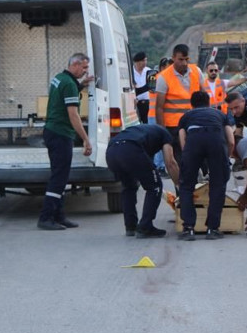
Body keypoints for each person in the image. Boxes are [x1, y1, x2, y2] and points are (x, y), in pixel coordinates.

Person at [38, 53, 93, 230]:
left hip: (52, 131)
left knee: (60, 176)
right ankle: (46, 217)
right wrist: (85, 139)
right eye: (84, 67)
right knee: (59, 177)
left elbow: (66, 92)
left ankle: (59, 216)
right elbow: (73, 115)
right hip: (61, 134)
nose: (85, 71)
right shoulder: (69, 84)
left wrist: (82, 85)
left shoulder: (60, 78)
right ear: (75, 64)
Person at [176, 91, 235, 241]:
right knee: (218, 185)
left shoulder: (186, 116)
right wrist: (226, 158)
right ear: (209, 103)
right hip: (216, 140)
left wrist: (188, 158)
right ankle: (212, 229)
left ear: (191, 104)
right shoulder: (220, 115)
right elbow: (231, 140)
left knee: (186, 186)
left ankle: (188, 229)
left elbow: (182, 140)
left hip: (193, 141)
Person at [105, 124, 180, 238]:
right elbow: (170, 163)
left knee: (128, 187)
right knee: (155, 186)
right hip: (130, 149)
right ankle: (145, 227)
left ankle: (130, 226)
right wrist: (179, 185)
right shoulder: (166, 135)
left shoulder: (146, 131)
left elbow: (146, 164)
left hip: (112, 152)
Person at [155, 44, 207, 163]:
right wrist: (162, 132)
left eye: (186, 59)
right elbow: (159, 107)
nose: (184, 63)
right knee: (180, 160)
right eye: (180, 59)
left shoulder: (196, 71)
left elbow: (204, 97)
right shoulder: (164, 77)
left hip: (194, 122)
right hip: (174, 127)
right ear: (173, 58)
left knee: (198, 157)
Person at [132, 51, 153, 123]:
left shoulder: (149, 71)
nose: (145, 62)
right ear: (137, 62)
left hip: (148, 103)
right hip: (136, 104)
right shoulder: (131, 72)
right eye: (143, 60)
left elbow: (153, 86)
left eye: (146, 60)